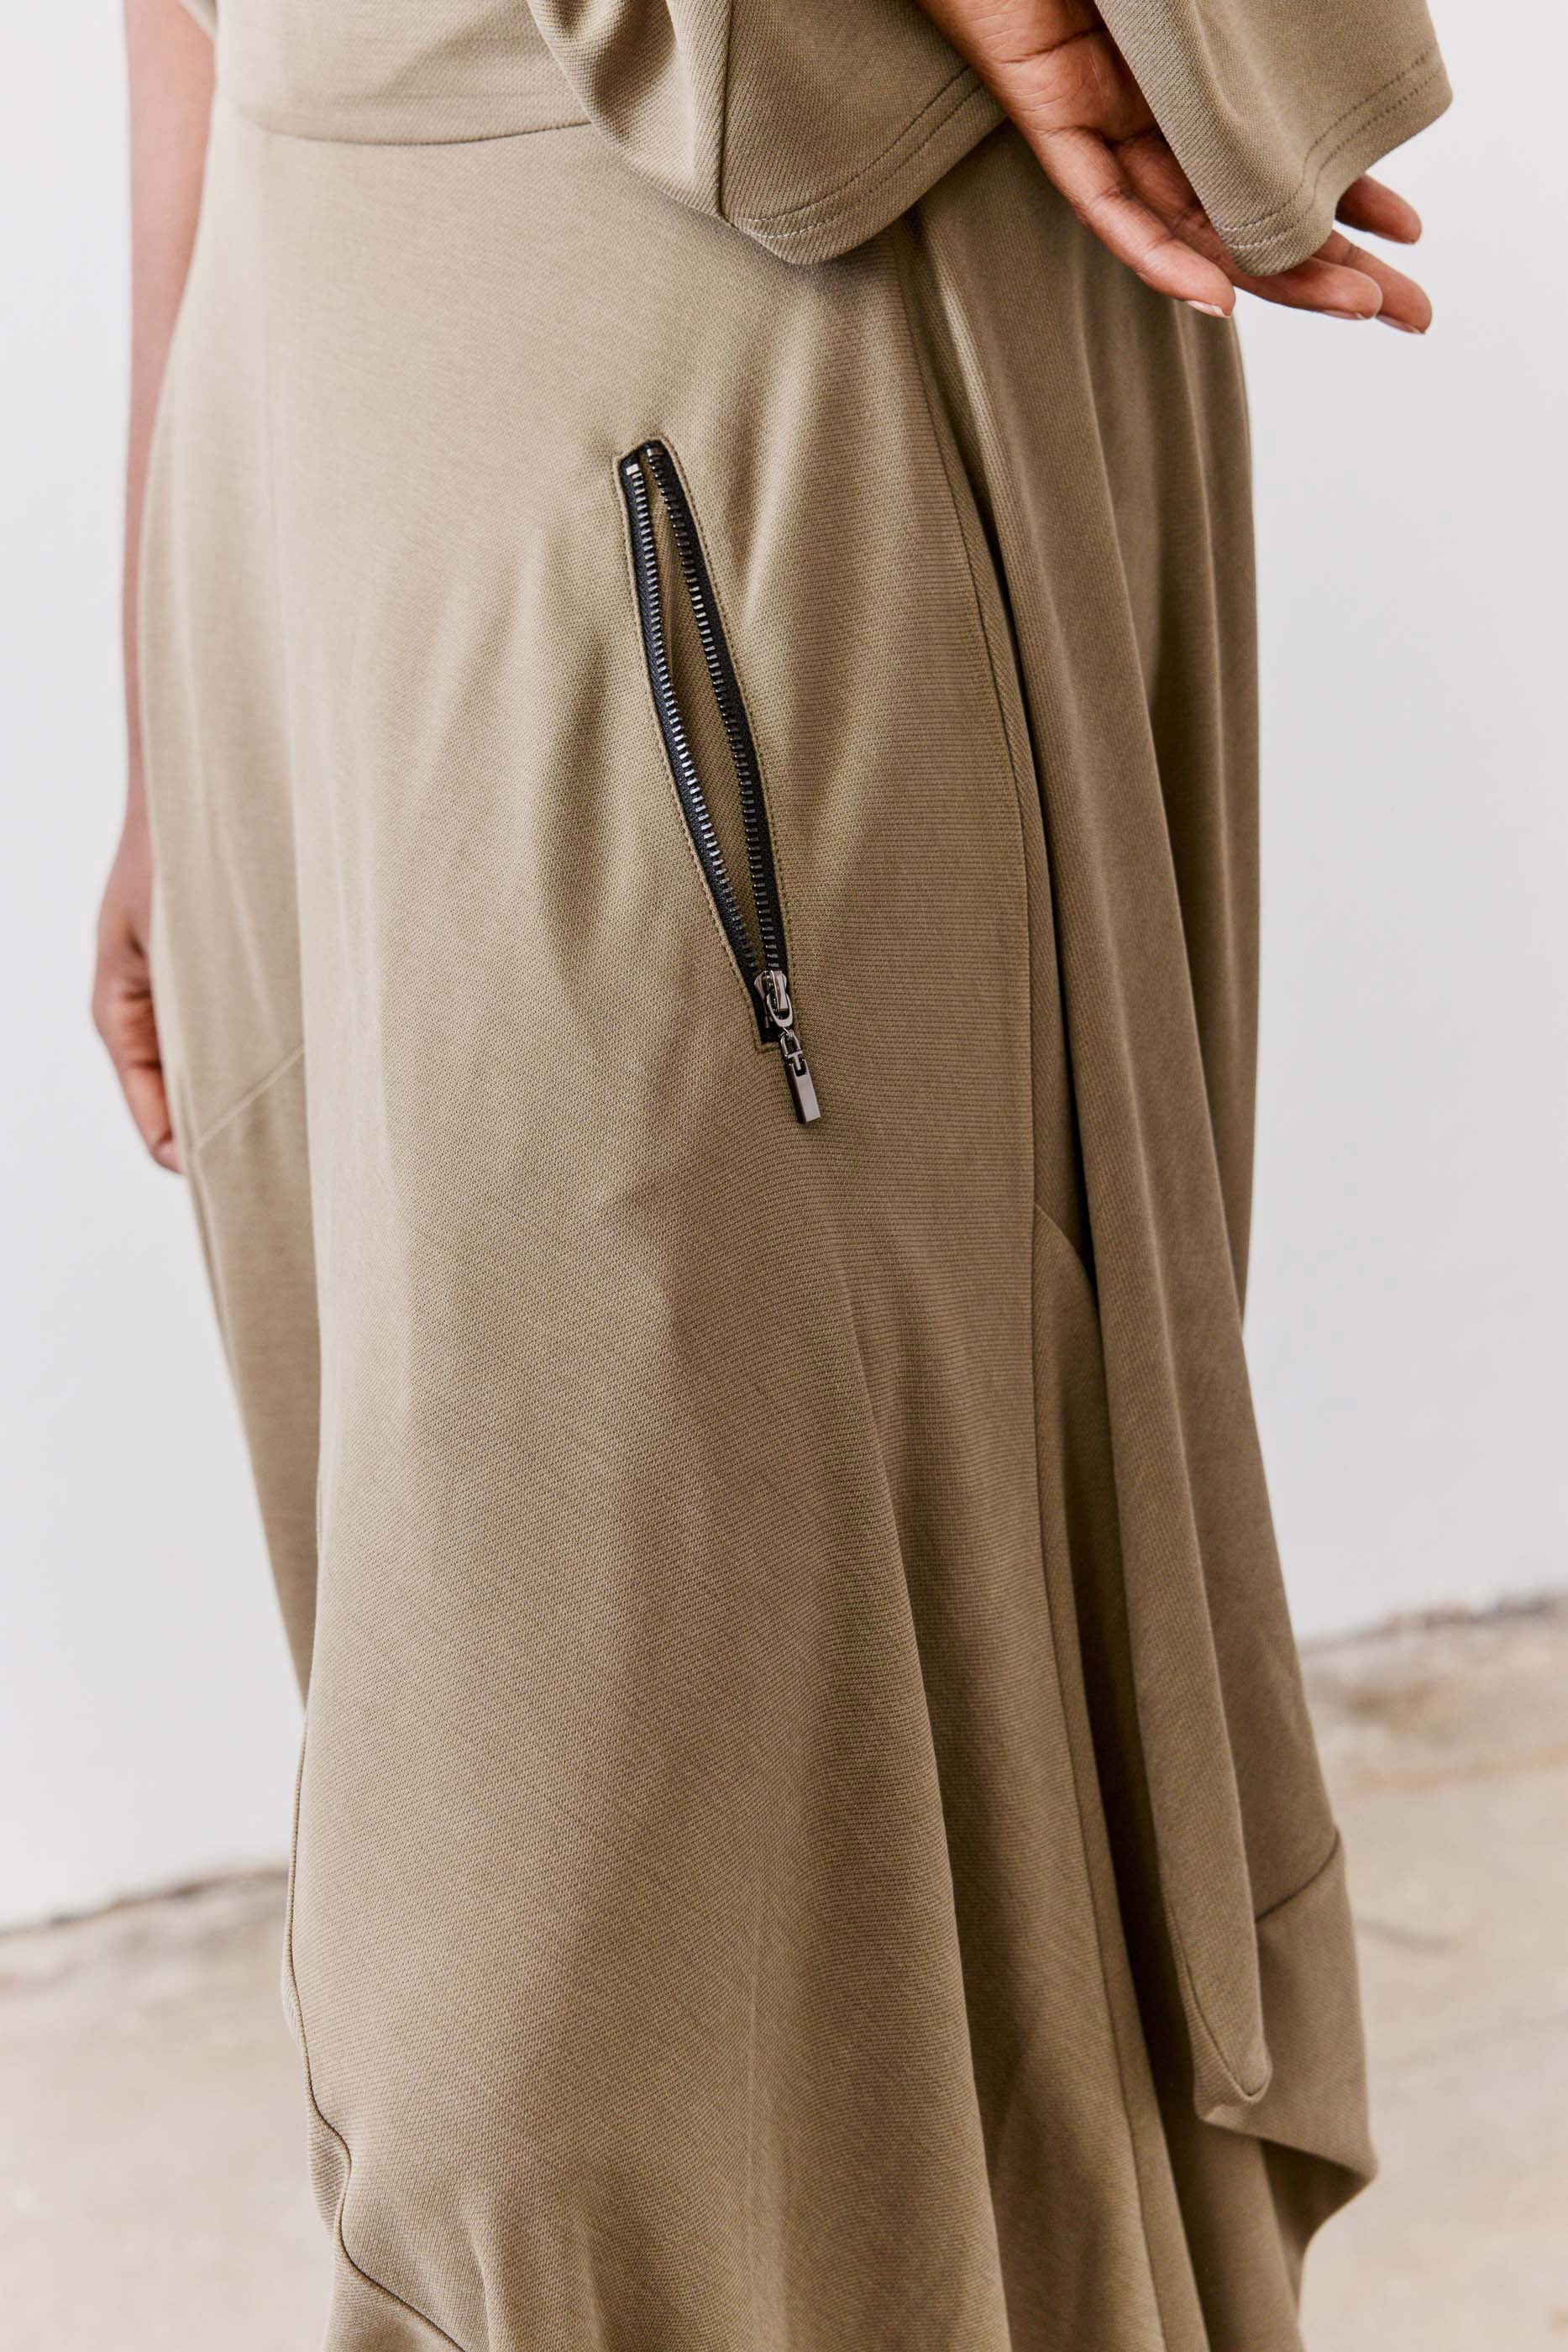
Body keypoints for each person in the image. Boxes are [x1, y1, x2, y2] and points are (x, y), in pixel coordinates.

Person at [96, 3, 1449, 2346]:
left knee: (551, 2002)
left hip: (721, 340)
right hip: (316, 400)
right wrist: (168, 658)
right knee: (681, 1820)